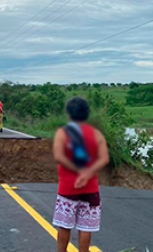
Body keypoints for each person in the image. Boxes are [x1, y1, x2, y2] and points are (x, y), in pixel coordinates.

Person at [52, 97, 109, 252]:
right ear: (86, 113)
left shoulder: (63, 134)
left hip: (68, 188)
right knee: (86, 228)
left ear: (69, 113)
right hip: (90, 188)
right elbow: (104, 158)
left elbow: (59, 157)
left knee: (64, 225)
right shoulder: (96, 134)